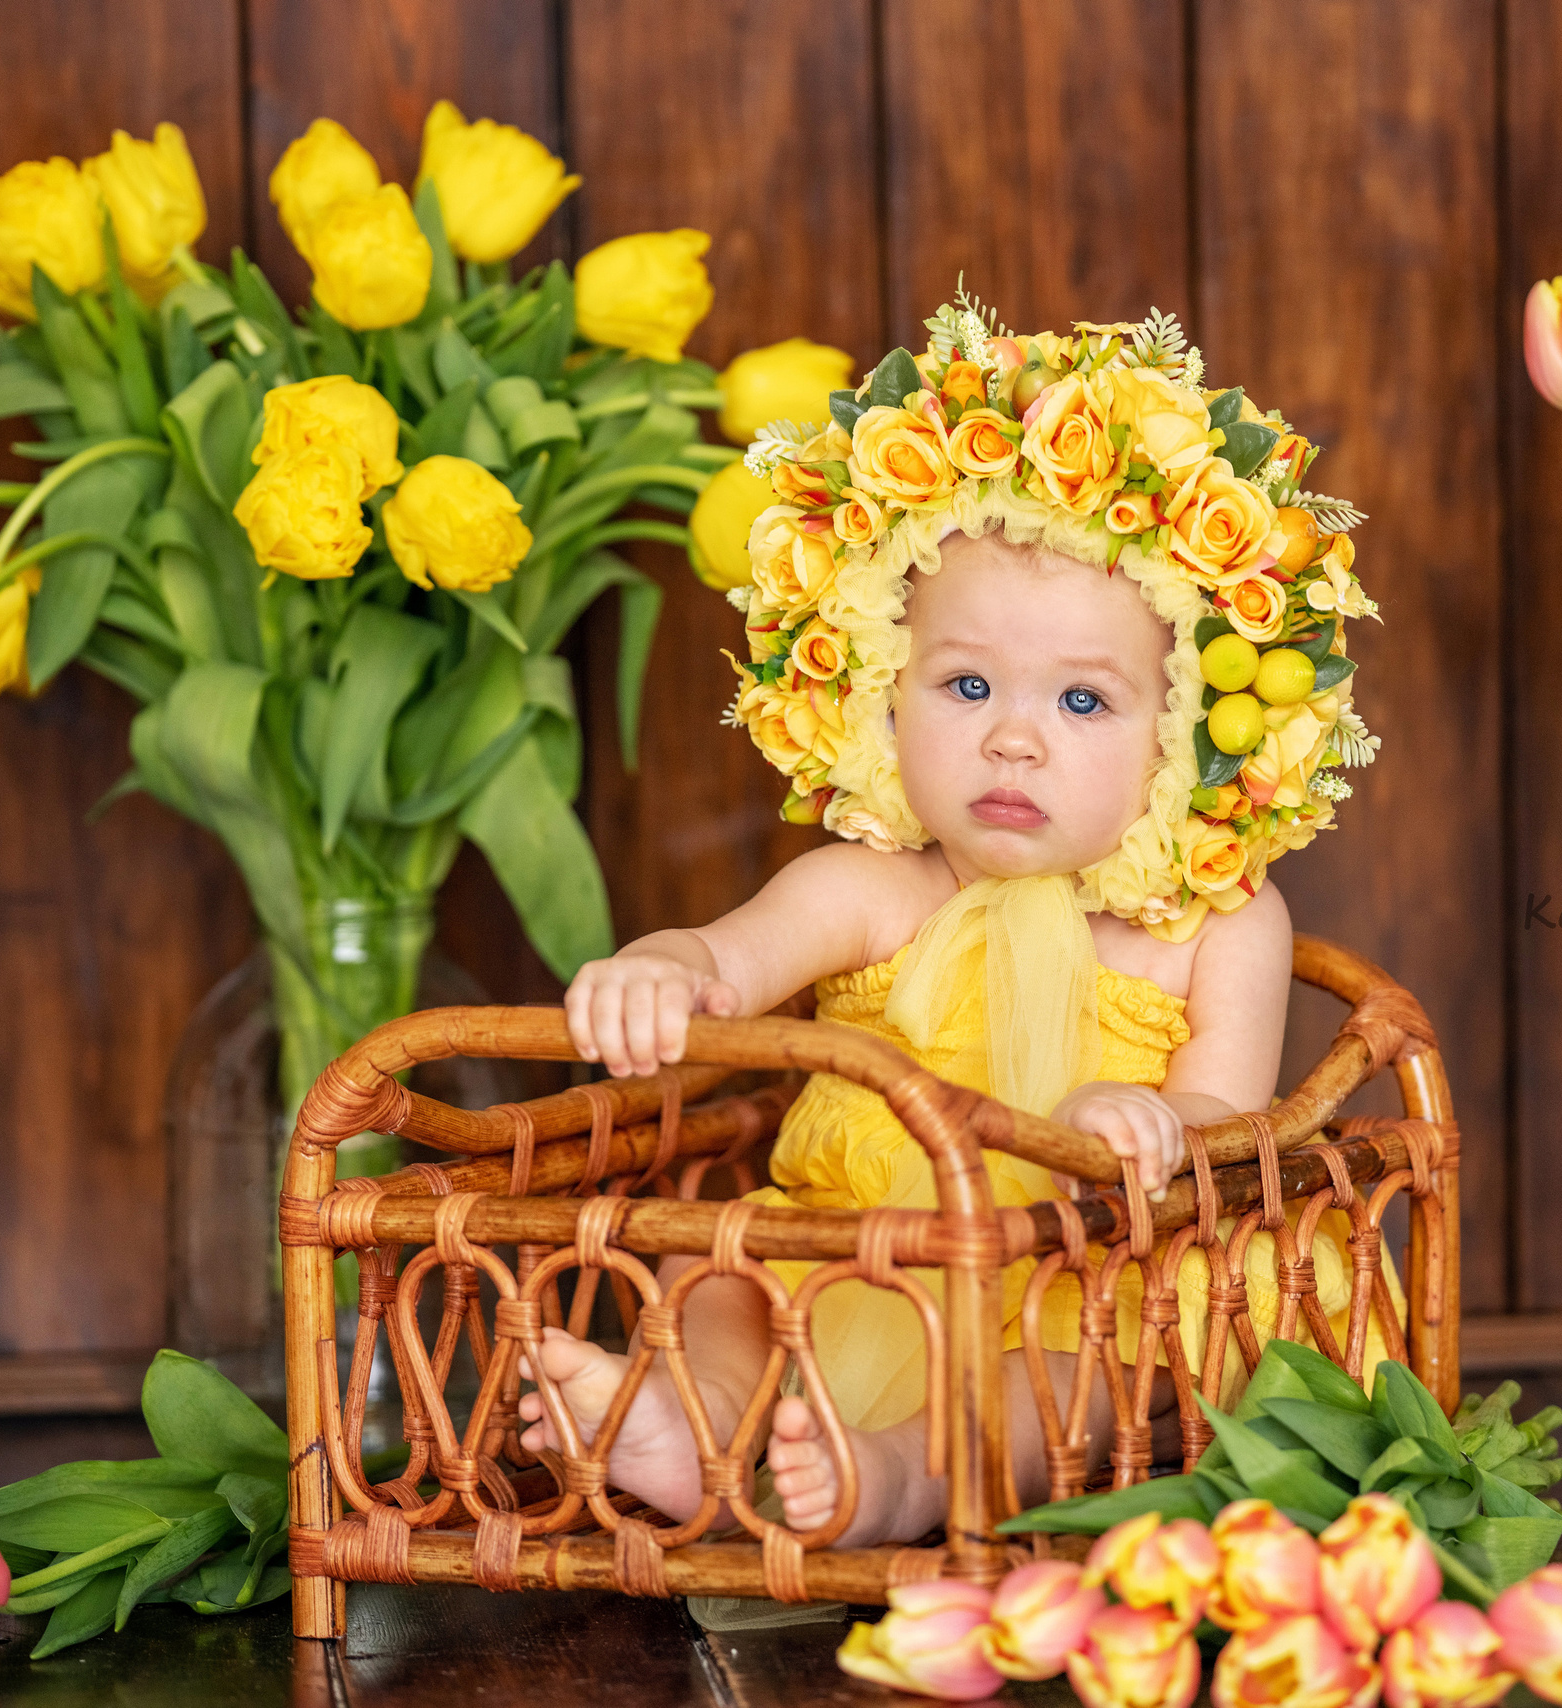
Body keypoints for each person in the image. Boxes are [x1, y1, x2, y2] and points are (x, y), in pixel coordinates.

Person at [519, 304, 1386, 1546]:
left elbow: (1230, 1121)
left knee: (1107, 1368)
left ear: (1185, 727)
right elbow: (727, 961)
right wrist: (657, 970)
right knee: (711, 1273)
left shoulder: (1216, 921)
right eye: (966, 684)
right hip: (855, 1257)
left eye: (1082, 700)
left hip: (1080, 1270)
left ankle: (903, 1480)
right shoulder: (871, 886)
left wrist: (1151, 1118)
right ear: (884, 691)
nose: (1012, 737)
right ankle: (693, 1424)